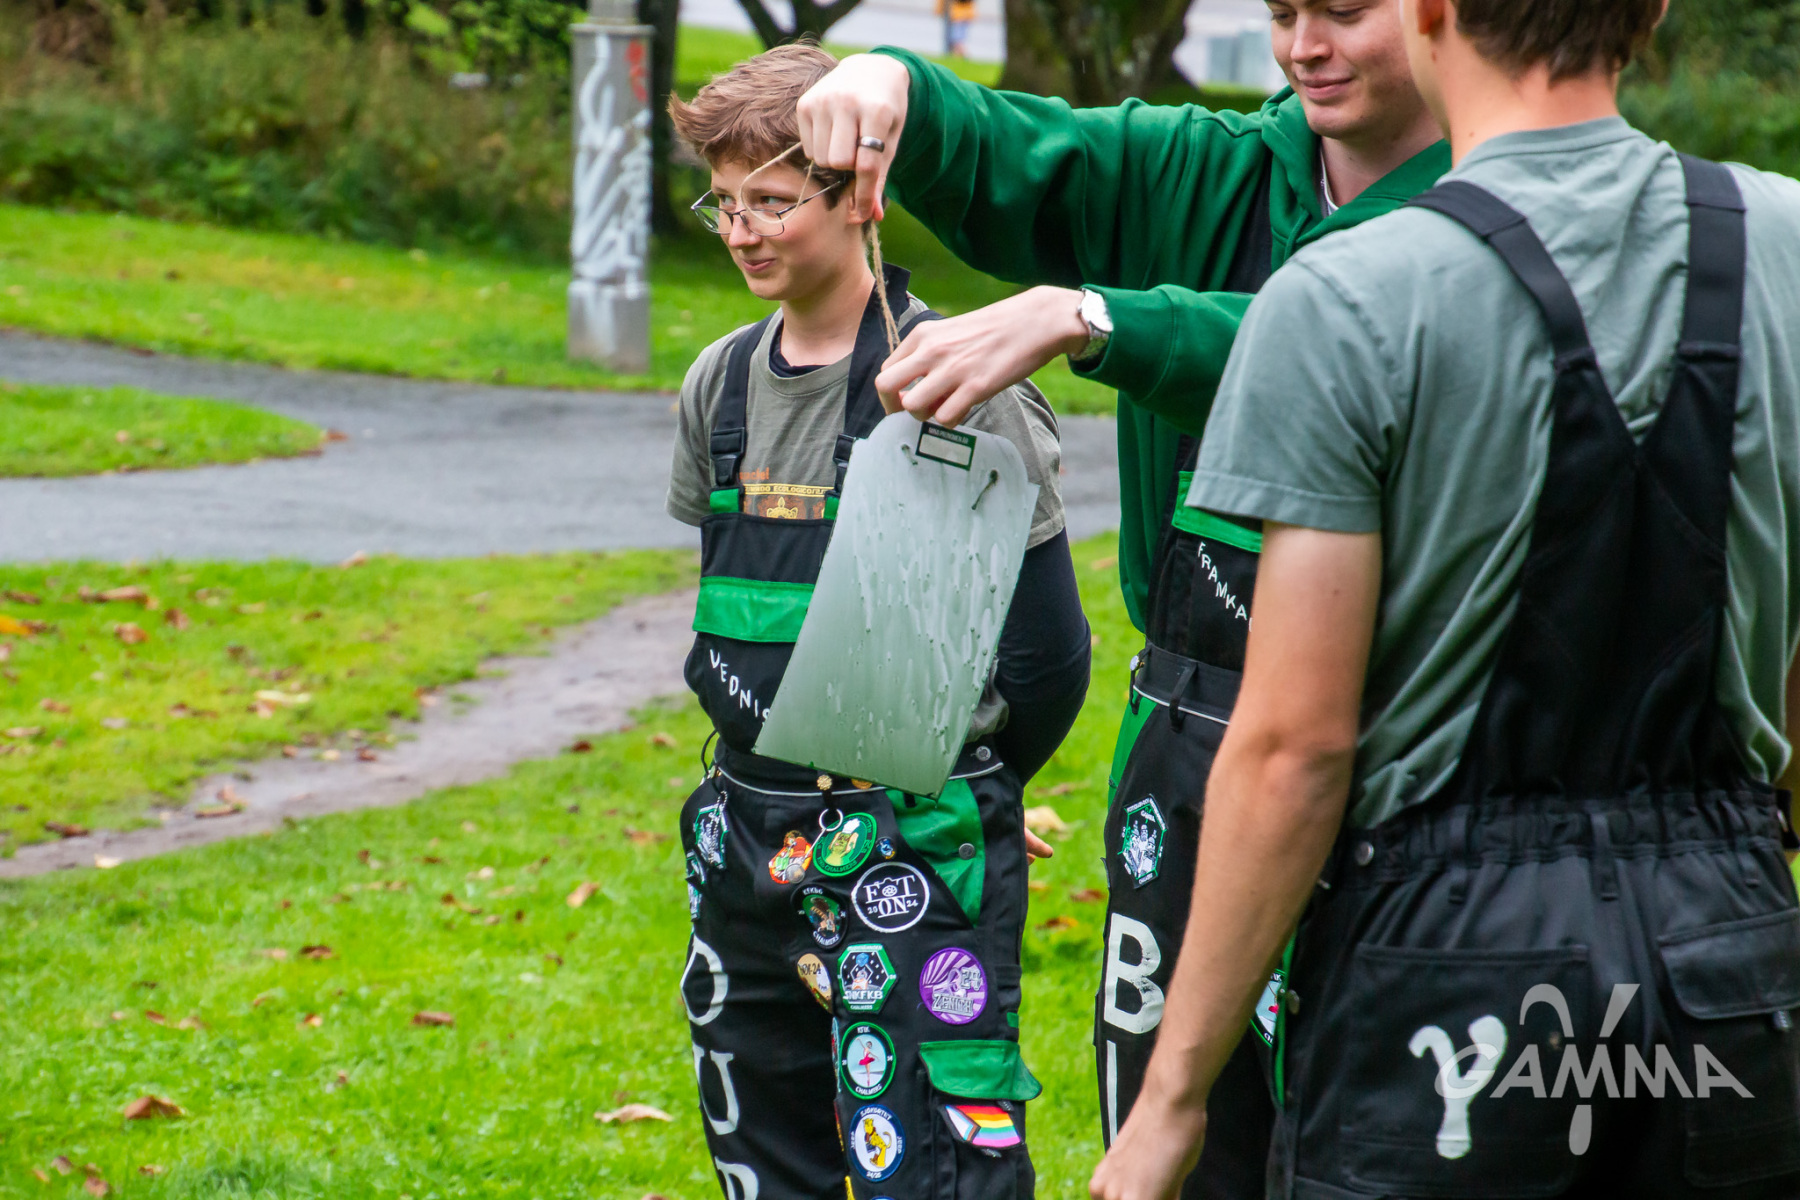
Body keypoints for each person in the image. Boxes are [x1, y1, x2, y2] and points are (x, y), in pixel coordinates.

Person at [1091, 0, 1800, 1195]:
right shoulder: (1785, 243)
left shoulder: (1345, 298)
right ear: (1654, 9)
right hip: (1726, 956)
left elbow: (1297, 748)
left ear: (1429, 12)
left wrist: (1172, 1100)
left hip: (1451, 980)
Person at [795, 3, 1447, 1193]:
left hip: (1403, 749)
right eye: (1283, 12)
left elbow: (1359, 348)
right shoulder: (1207, 167)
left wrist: (1098, 318)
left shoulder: (1488, 217)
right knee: (1177, 1129)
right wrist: (892, 85)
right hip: (1183, 741)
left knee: (1371, 1136)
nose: (1305, 45)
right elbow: (1018, 154)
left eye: (1345, 11)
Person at [665, 44, 1091, 1200]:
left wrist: (971, 791)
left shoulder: (952, 383)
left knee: (936, 1159)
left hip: (907, 845)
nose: (741, 231)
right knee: (764, 1153)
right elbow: (732, 606)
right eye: (723, 202)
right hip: (744, 838)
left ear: (860, 195)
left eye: (771, 201)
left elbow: (1047, 655)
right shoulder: (718, 385)